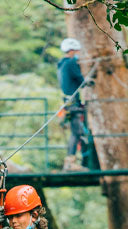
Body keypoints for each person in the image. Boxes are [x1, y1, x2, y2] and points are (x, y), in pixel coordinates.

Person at [57, 37, 87, 171]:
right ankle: (70, 162)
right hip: (72, 102)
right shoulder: (70, 63)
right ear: (71, 51)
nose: (77, 53)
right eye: (76, 51)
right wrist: (89, 80)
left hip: (68, 101)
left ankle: (72, 161)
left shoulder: (61, 63)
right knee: (77, 132)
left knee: (77, 132)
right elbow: (81, 80)